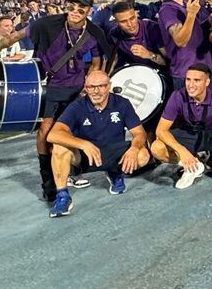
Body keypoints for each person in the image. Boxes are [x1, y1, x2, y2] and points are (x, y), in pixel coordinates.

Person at [0, 0, 112, 199]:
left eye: (80, 8)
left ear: (88, 11)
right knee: (45, 131)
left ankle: (71, 171)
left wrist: (88, 88)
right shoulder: (46, 23)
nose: (74, 11)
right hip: (51, 86)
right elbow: (13, 38)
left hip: (78, 90)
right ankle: (48, 180)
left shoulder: (94, 33)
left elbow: (97, 63)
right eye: (71, 6)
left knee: (73, 133)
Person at [43, 68, 151, 217]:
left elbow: (139, 133)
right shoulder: (77, 106)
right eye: (91, 87)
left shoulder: (122, 104)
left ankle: (116, 172)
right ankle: (62, 196)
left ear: (109, 86)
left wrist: (134, 148)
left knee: (143, 154)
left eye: (101, 86)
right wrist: (83, 144)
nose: (96, 91)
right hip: (86, 157)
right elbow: (53, 135)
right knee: (59, 147)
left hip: (113, 153)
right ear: (86, 88)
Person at [155, 0, 208, 82]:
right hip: (187, 74)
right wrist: (191, 14)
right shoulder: (167, 10)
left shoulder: (185, 5)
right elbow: (180, 41)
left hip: (199, 69)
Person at [106, 1, 166, 72]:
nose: (130, 24)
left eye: (132, 18)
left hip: (159, 73)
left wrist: (149, 55)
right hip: (134, 73)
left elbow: (168, 62)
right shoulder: (114, 35)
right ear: (116, 22)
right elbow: (113, 61)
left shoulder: (152, 29)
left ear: (136, 14)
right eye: (123, 21)